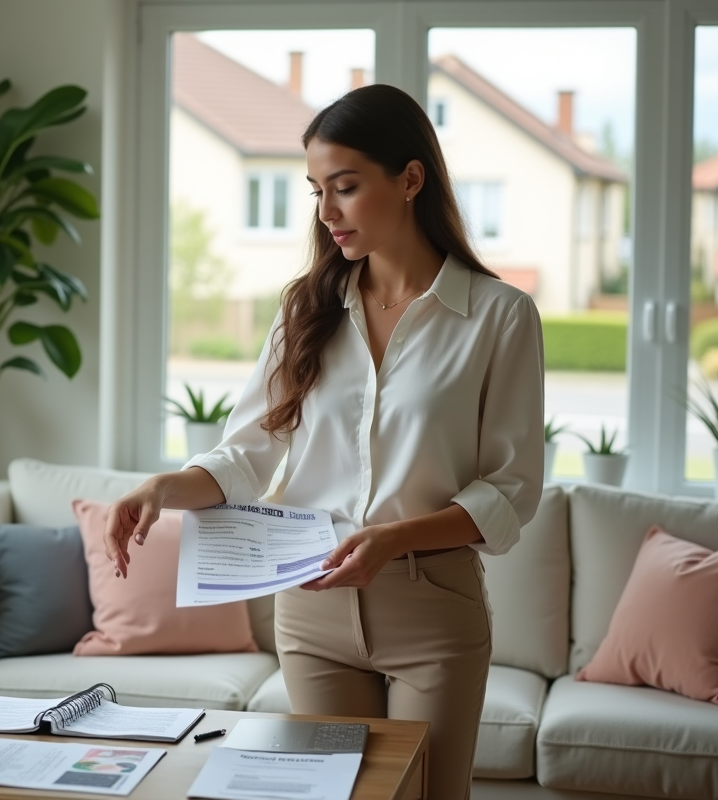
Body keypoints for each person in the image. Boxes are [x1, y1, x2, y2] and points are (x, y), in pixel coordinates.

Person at [104, 84, 544, 800]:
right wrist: (164, 487)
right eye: (316, 190)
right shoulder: (308, 309)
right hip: (309, 609)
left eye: (345, 187)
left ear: (410, 179)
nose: (325, 212)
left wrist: (393, 539)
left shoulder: (499, 317)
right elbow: (249, 455)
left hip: (430, 606)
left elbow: (511, 492)